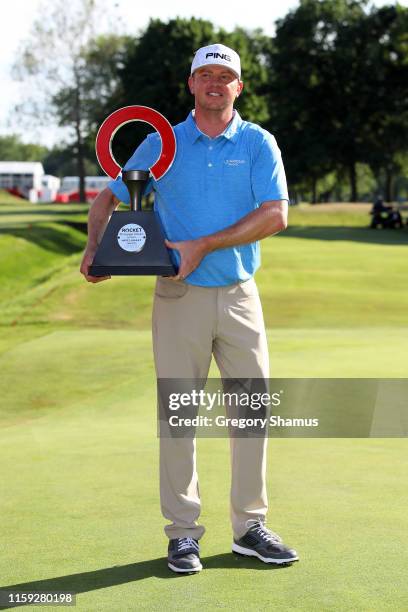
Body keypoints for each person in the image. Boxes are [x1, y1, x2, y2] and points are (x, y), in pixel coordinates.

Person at [80, 43, 299, 574]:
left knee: (251, 415)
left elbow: (275, 214)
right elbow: (108, 198)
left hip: (240, 294)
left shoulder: (256, 142)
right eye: (207, 74)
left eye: (226, 76)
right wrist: (95, 249)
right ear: (191, 84)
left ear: (238, 87)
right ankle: (183, 534)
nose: (216, 83)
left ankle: (250, 528)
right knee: (180, 417)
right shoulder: (162, 142)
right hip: (177, 298)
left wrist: (204, 244)